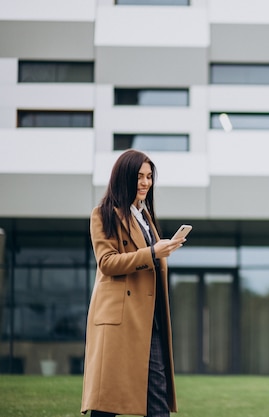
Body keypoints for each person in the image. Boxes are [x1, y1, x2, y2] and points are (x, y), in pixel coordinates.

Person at [81, 150, 185, 417]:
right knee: (106, 403)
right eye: (139, 176)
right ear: (124, 177)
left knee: (157, 399)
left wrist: (163, 251)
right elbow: (107, 262)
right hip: (119, 320)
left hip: (150, 318)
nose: (145, 183)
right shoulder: (102, 214)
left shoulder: (146, 217)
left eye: (149, 177)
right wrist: (153, 254)